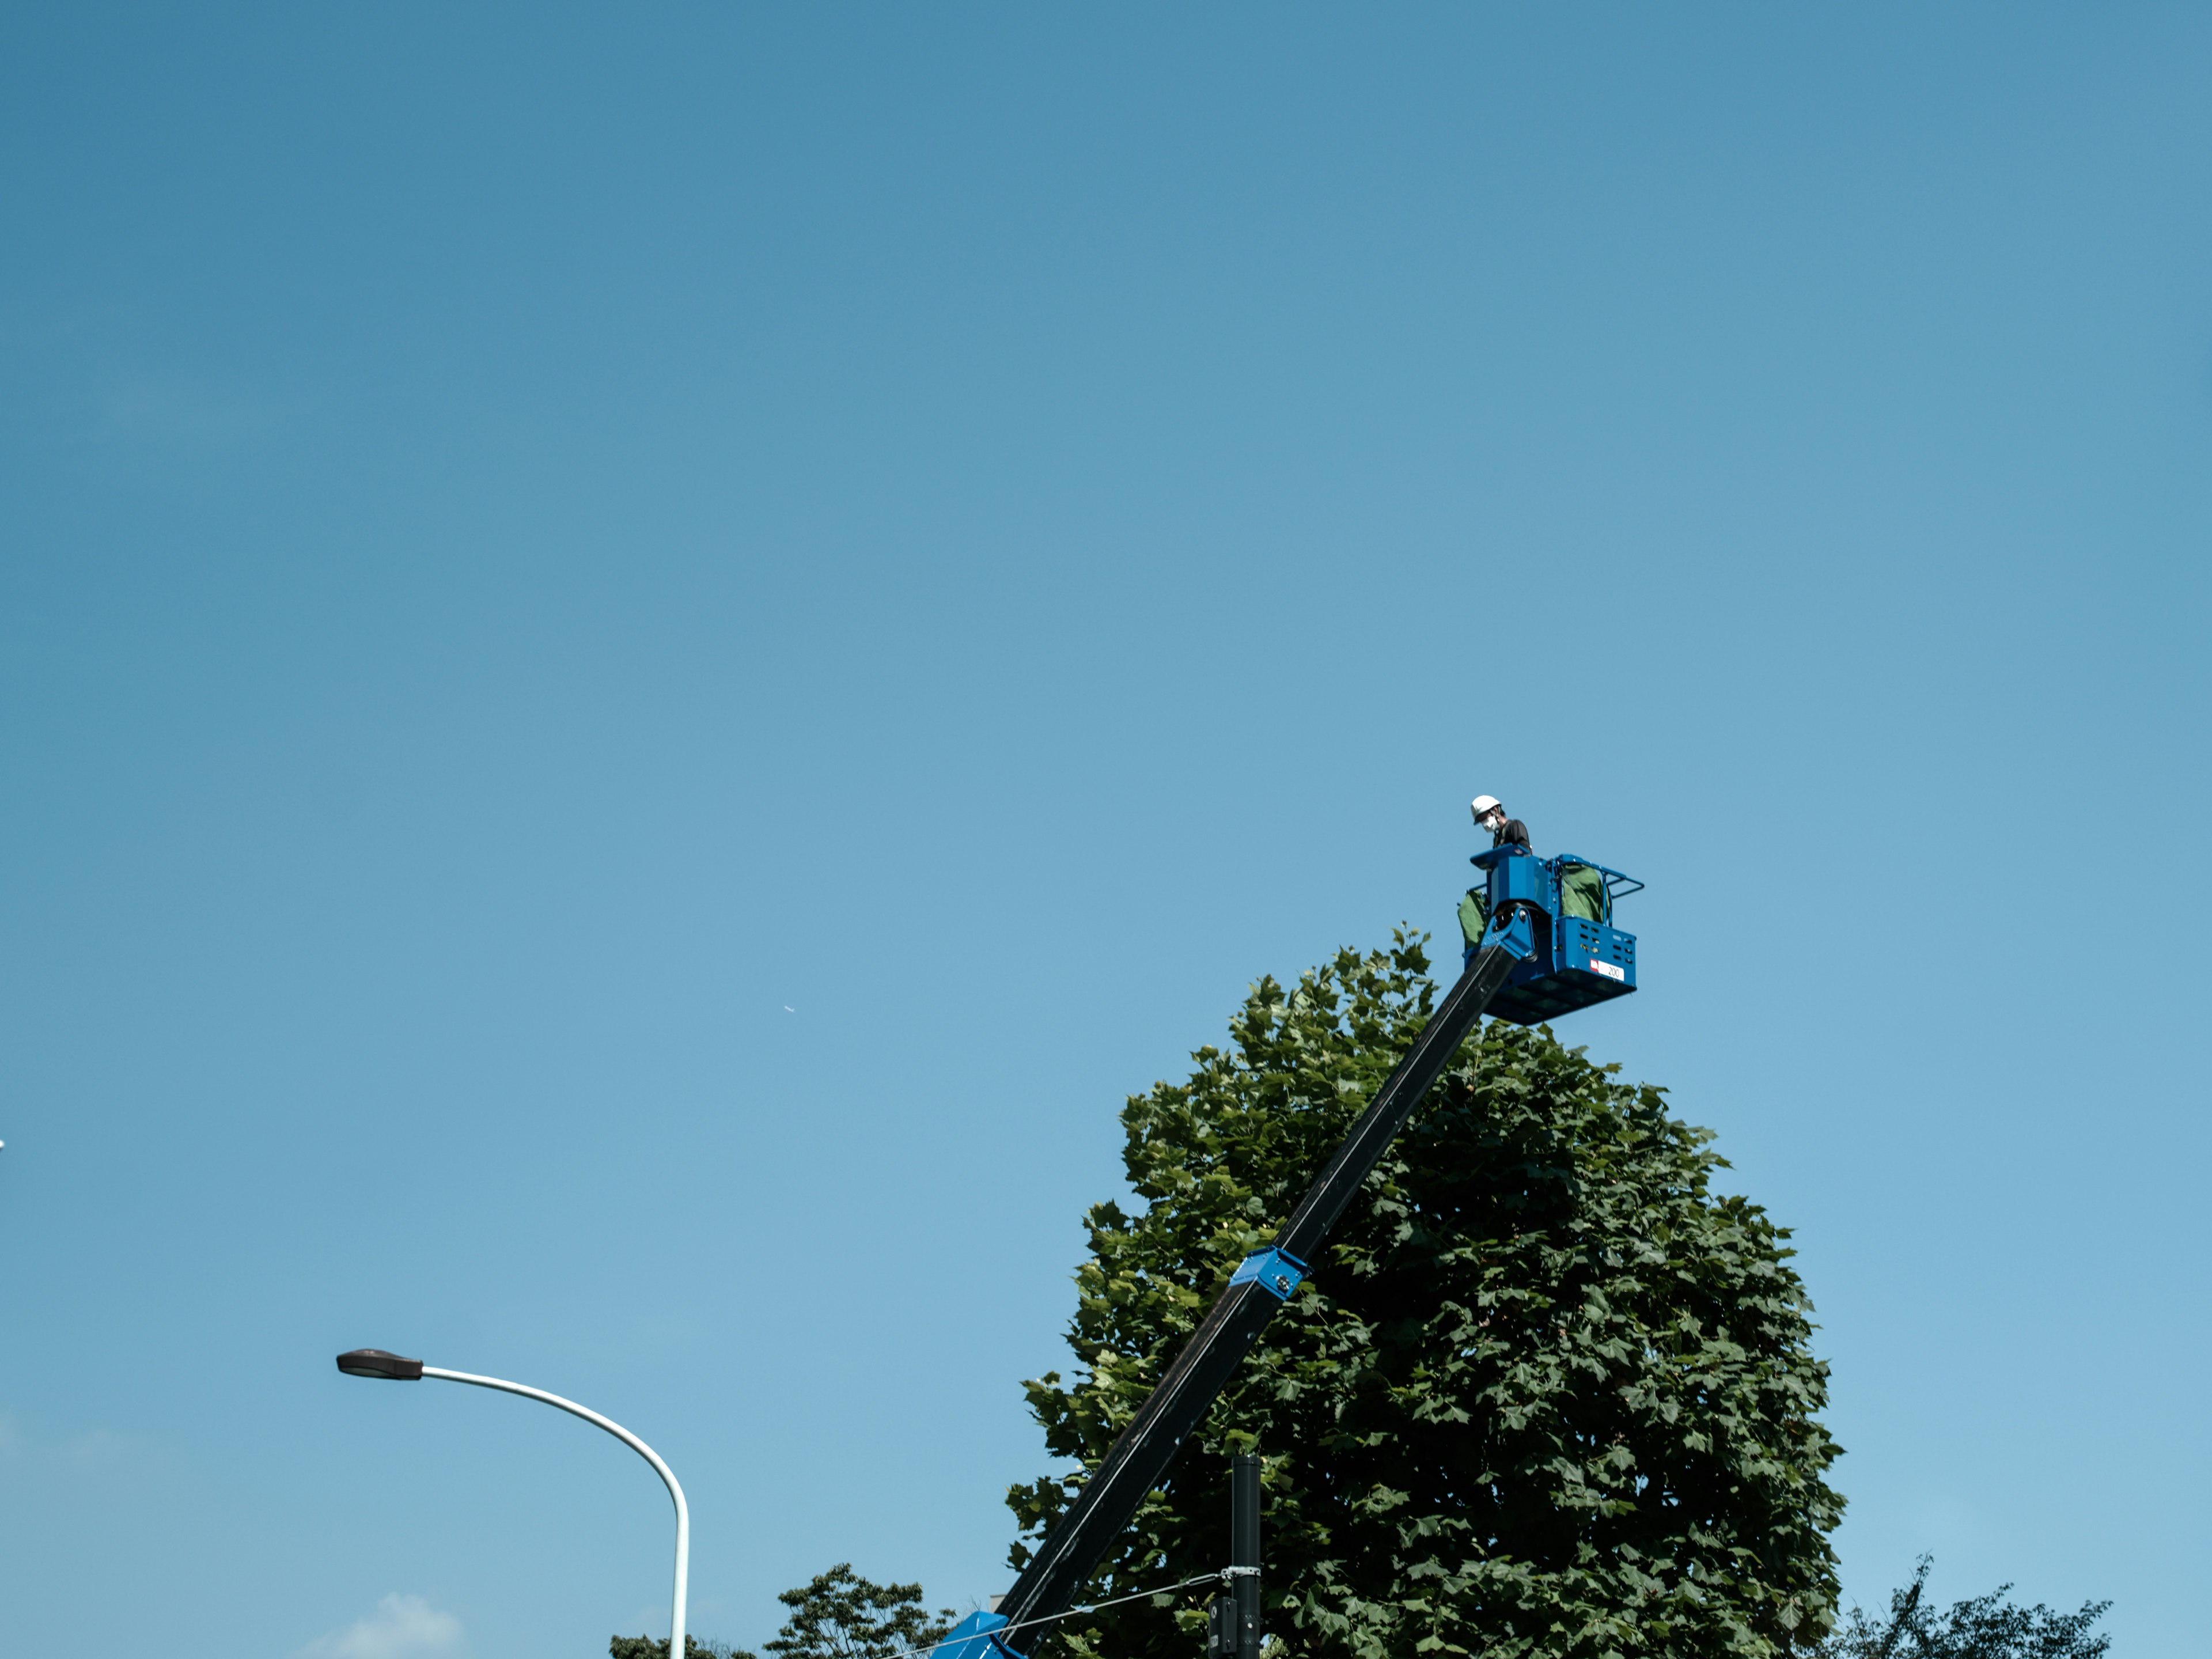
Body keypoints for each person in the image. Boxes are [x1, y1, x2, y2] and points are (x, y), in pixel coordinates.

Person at [1457, 793, 1530, 962]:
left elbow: (1525, 853)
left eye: (1485, 818)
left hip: (1517, 886)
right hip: (1501, 891)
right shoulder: (1498, 838)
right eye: (1481, 821)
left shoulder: (1515, 826)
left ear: (1496, 810)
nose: (1485, 824)